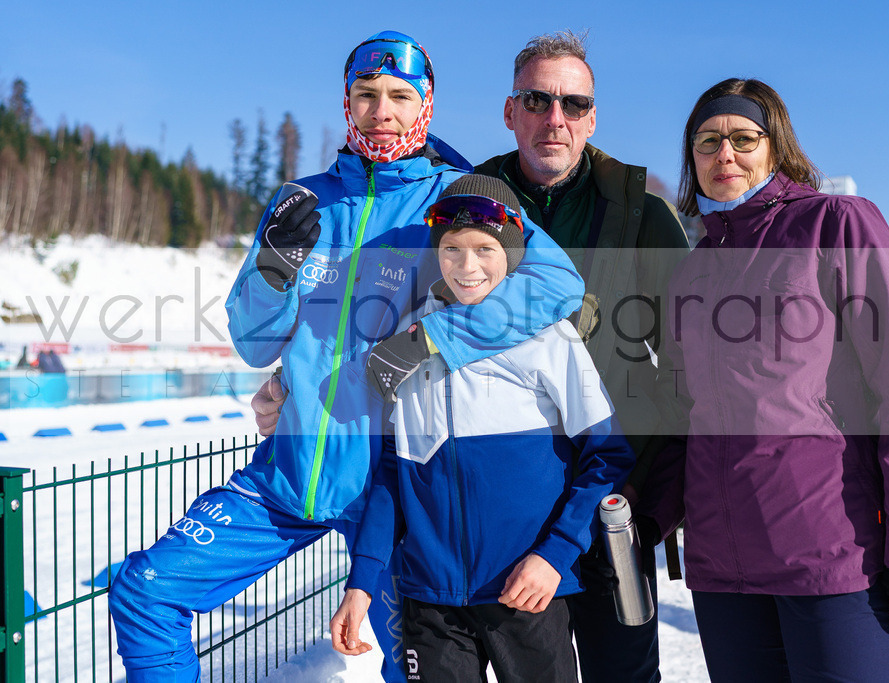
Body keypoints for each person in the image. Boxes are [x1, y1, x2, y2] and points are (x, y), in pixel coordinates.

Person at [108, 31, 583, 682]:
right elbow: (254, 343)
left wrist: (433, 340)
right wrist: (274, 274)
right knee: (147, 590)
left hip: (396, 491)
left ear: (426, 106)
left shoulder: (458, 195)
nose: (381, 111)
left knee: (410, 668)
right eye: (365, 95)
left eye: (398, 96)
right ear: (346, 103)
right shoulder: (300, 203)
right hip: (290, 472)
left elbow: (558, 283)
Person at [254, 31, 689, 682]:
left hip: (605, 507)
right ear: (510, 110)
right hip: (480, 543)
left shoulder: (644, 218)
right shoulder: (465, 197)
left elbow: (685, 367)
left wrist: (661, 496)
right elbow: (366, 301)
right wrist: (297, 374)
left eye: (573, 103)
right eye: (537, 99)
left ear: (593, 116)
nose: (555, 117)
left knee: (622, 672)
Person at [640, 79, 889, 681]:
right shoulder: (692, 269)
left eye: (742, 138)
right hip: (723, 571)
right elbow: (684, 416)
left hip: (833, 559)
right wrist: (651, 517)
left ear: (775, 147)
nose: (723, 154)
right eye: (706, 141)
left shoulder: (835, 224)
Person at [330, 174, 635, 682]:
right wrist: (362, 581)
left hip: (526, 589)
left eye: (484, 249)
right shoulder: (409, 341)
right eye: (451, 249)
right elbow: (392, 476)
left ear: (511, 253)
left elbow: (608, 455)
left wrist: (555, 556)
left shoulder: (549, 337)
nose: (466, 266)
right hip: (429, 599)